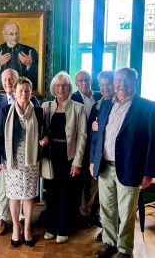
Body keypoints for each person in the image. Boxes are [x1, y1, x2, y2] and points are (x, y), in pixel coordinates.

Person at [90, 67, 155, 258]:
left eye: (125, 80)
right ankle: (109, 243)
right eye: (117, 80)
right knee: (106, 210)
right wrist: (93, 161)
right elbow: (98, 137)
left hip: (131, 169)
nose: (120, 84)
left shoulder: (149, 108)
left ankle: (124, 250)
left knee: (127, 214)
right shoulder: (106, 104)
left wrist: (149, 172)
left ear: (135, 82)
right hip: (105, 166)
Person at [0, 77, 44, 247]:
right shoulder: (5, 110)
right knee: (14, 197)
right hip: (12, 161)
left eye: (27, 91)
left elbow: (43, 133)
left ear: (31, 93)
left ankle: (27, 228)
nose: (24, 94)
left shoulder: (38, 111)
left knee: (29, 196)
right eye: (20, 90)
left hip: (31, 161)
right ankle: (16, 228)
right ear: (14, 93)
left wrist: (44, 140)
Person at [41, 71, 87, 244]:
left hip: (69, 158)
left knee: (66, 194)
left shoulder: (78, 108)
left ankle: (63, 228)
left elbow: (82, 137)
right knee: (51, 193)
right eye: (58, 85)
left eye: (65, 85)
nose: (61, 88)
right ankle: (51, 227)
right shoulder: (46, 106)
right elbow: (40, 130)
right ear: (53, 88)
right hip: (50, 157)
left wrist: (77, 161)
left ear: (70, 88)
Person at [71, 70, 102, 227]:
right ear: (76, 84)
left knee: (96, 180)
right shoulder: (73, 98)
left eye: (86, 79)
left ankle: (94, 214)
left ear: (91, 80)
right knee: (82, 182)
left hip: (98, 146)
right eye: (80, 81)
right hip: (80, 146)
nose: (84, 82)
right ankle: (82, 213)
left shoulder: (99, 96)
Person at [87, 71, 115, 241]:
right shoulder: (99, 104)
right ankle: (107, 233)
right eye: (102, 84)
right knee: (106, 202)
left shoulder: (119, 103)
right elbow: (92, 133)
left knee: (114, 202)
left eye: (108, 84)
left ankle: (113, 235)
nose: (104, 87)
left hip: (118, 161)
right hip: (101, 158)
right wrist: (94, 127)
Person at [0, 22, 38, 90]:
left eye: (17, 33)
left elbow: (38, 79)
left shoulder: (30, 51)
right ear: (4, 35)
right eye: (11, 34)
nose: (15, 37)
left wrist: (29, 65)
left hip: (23, 92)